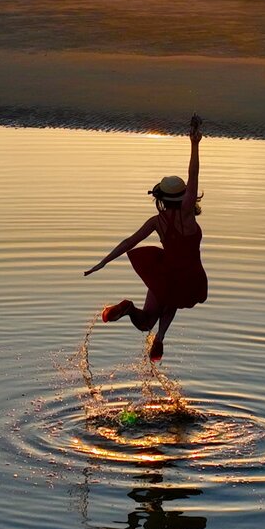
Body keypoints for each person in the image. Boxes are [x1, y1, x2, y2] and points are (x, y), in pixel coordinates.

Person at [84, 114, 208, 362]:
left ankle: (130, 309)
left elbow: (129, 242)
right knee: (175, 301)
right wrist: (195, 144)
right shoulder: (187, 215)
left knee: (145, 323)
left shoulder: (157, 222)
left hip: (165, 273)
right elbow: (193, 177)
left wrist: (104, 262)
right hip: (189, 276)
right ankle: (161, 338)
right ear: (183, 198)